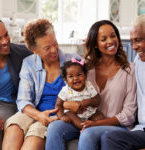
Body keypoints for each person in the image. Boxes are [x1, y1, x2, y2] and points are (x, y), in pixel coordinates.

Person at [45, 20, 137, 150]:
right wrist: (65, 105)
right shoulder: (85, 68)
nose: (110, 41)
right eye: (103, 39)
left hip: (114, 126)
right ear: (95, 44)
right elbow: (68, 93)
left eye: (113, 36)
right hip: (84, 121)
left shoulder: (130, 70)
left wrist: (97, 123)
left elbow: (129, 115)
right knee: (54, 127)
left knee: (88, 134)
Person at [2, 18, 80, 150]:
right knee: (14, 126)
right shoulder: (29, 63)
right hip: (34, 111)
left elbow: (85, 92)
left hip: (58, 114)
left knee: (34, 135)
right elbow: (23, 100)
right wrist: (38, 115)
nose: (54, 50)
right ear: (34, 49)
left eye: (55, 43)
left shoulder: (73, 61)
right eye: (47, 48)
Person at [100, 14, 145, 150]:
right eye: (132, 42)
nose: (135, 47)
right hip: (142, 129)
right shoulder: (138, 62)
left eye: (139, 40)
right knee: (110, 138)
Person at [0, 18, 32, 150]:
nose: (5, 41)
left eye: (6, 35)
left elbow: (44, 59)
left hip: (7, 104)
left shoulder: (21, 53)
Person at [56, 57, 105, 129]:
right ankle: (83, 129)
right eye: (71, 76)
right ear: (66, 80)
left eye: (79, 75)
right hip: (73, 114)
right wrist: (61, 116)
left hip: (90, 112)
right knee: (78, 122)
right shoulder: (65, 90)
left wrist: (89, 102)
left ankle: (96, 130)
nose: (75, 78)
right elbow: (58, 105)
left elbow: (98, 100)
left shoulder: (88, 85)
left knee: (100, 118)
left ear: (85, 76)